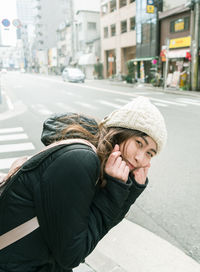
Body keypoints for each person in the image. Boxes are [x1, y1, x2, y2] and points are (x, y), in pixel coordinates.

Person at [0, 96, 167, 272]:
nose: (140, 158)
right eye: (139, 143)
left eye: (150, 153)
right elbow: (72, 255)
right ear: (120, 132)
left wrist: (130, 191)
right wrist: (115, 192)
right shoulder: (80, 161)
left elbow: (88, 233)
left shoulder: (96, 160)